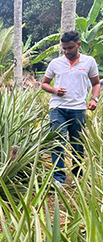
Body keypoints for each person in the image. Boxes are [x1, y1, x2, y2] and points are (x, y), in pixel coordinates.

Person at [41, 30, 100, 186]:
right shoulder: (55, 63)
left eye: (70, 48)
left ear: (78, 45)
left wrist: (94, 99)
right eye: (64, 48)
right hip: (57, 108)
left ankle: (77, 176)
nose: (66, 51)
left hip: (78, 108)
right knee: (57, 141)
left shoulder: (89, 62)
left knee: (77, 143)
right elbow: (44, 83)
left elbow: (96, 83)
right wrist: (54, 90)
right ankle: (58, 179)